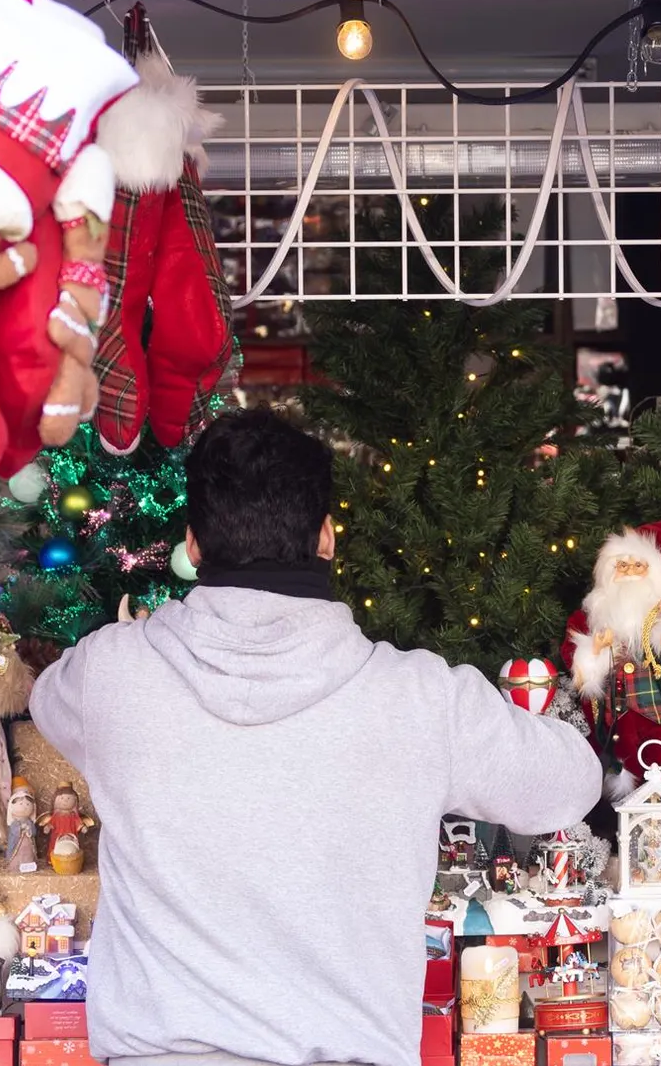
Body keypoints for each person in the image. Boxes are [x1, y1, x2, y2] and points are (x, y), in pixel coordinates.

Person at [30, 410, 601, 1066]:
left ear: (194, 547)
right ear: (327, 538)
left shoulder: (111, 673)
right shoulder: (423, 697)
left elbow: (47, 701)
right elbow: (571, 783)